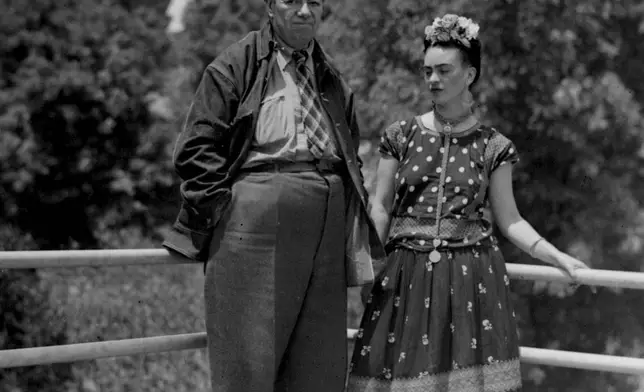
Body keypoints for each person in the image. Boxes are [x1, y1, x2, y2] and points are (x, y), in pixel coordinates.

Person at [346, 14, 590, 392]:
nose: (433, 80)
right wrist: (365, 268)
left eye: (444, 70)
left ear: (470, 75)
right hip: (404, 280)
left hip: (470, 284)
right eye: (428, 71)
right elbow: (380, 209)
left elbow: (510, 220)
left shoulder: (493, 146)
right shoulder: (400, 136)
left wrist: (557, 257)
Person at [162, 0, 385, 391]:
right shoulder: (235, 64)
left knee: (320, 367)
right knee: (248, 367)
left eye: (313, 2)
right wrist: (230, 210)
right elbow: (196, 149)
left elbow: (352, 157)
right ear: (269, 7)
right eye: (291, 1)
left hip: (328, 223)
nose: (303, 11)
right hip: (256, 222)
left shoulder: (330, 75)